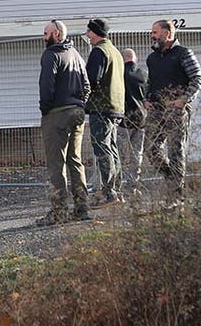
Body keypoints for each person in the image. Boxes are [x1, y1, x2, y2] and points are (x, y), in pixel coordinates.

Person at [36, 20, 91, 226]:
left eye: (46, 33)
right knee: (75, 161)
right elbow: (87, 85)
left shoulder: (51, 55)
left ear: (56, 34)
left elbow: (46, 85)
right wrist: (80, 105)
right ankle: (82, 208)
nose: (44, 37)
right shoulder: (76, 54)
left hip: (57, 114)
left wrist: (46, 109)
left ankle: (59, 212)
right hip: (77, 112)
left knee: (56, 163)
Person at [145, 20, 201, 207]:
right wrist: (146, 99)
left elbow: (197, 79)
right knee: (151, 149)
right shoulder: (152, 59)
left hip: (176, 111)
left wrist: (184, 100)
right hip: (156, 111)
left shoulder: (183, 54)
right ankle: (172, 177)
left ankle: (175, 197)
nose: (152, 35)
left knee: (175, 152)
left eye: (155, 32)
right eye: (152, 32)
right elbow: (150, 82)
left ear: (167, 34)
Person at [84, 18, 125, 205]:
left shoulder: (99, 52)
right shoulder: (115, 52)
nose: (87, 35)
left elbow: (92, 80)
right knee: (112, 148)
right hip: (116, 107)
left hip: (101, 107)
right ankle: (116, 189)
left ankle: (109, 193)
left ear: (97, 32)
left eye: (89, 32)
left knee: (102, 148)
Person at [120, 47, 148, 193]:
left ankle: (117, 185)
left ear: (122, 58)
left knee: (120, 154)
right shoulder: (143, 74)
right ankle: (133, 184)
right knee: (137, 153)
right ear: (135, 59)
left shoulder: (118, 74)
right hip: (140, 119)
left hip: (122, 120)